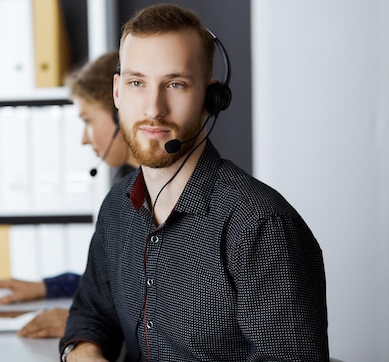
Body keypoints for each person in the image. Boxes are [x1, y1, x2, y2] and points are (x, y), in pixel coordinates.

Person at [59, 4, 329, 362]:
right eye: (137, 82)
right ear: (117, 92)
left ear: (210, 99)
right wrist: (84, 353)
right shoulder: (117, 207)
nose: (154, 108)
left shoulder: (259, 225)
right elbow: (91, 314)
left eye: (175, 84)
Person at [0, 50, 139, 339]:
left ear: (119, 111)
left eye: (87, 120)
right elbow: (115, 288)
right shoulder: (128, 191)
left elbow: (160, 312)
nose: (84, 138)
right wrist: (46, 288)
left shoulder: (159, 196)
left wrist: (84, 322)